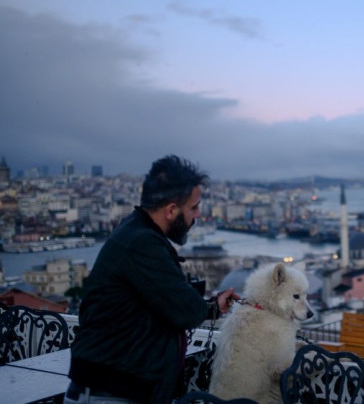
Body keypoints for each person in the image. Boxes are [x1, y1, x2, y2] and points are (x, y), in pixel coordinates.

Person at [66, 155, 240, 403]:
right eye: (193, 207)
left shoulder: (137, 233)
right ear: (171, 210)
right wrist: (205, 308)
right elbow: (185, 309)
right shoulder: (141, 243)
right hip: (110, 393)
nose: (198, 215)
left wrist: (212, 307)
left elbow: (164, 300)